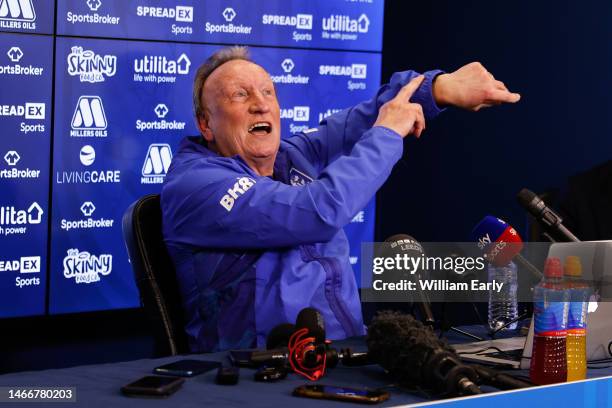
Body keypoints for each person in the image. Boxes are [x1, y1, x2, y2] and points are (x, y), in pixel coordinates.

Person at [161, 46, 520, 352]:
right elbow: (319, 210)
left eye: (268, 92)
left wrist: (438, 87)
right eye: (241, 95)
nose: (261, 106)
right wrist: (387, 133)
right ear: (206, 124)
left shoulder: (291, 157)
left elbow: (358, 120)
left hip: (344, 356)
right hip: (257, 375)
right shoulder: (196, 186)